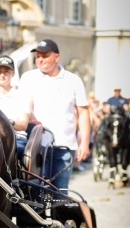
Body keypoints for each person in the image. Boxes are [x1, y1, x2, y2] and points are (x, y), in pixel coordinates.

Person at [18, 39, 91, 190]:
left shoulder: (73, 80)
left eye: (44, 56)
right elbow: (24, 109)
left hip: (64, 147)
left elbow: (83, 113)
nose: (40, 60)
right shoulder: (28, 78)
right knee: (35, 192)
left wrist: (84, 143)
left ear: (56, 57)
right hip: (37, 147)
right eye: (37, 56)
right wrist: (29, 118)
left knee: (60, 193)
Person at [0, 55, 29, 159]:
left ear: (13, 73)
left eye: (6, 71)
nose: (2, 75)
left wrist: (7, 122)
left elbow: (23, 125)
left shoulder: (21, 95)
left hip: (16, 138)